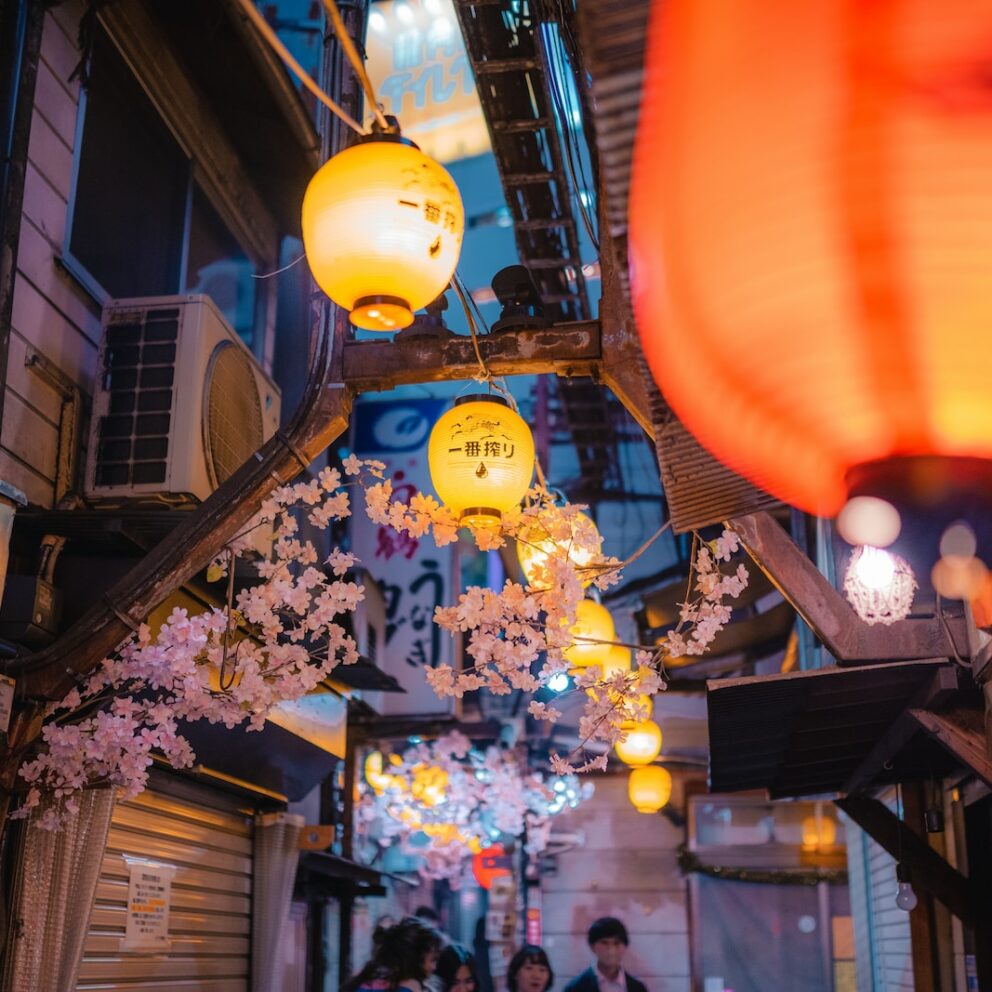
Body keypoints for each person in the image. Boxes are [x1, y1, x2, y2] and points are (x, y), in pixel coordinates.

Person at [347, 916, 443, 992]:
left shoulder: (363, 983)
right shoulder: (411, 986)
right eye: (433, 960)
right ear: (416, 959)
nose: (434, 967)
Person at [562, 918, 647, 992]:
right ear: (592, 946)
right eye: (604, 943)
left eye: (616, 943)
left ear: (625, 947)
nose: (611, 950)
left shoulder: (638, 988)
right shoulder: (575, 988)